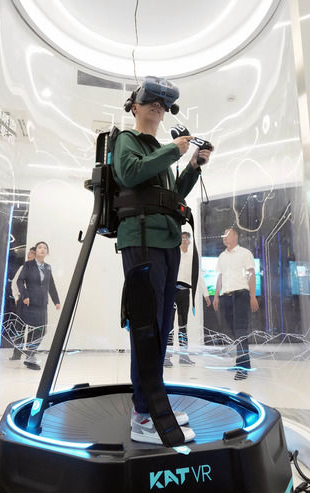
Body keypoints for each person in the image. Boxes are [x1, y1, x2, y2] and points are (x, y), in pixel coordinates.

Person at [114, 76, 212, 444]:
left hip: (167, 242)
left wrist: (194, 165)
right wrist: (173, 150)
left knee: (160, 327)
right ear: (135, 106)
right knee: (147, 327)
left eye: (162, 102)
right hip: (142, 241)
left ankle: (154, 401)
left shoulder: (160, 151)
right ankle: (143, 415)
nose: (157, 105)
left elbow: (172, 196)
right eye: (150, 100)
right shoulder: (128, 140)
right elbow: (129, 172)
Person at [213, 226, 259, 381]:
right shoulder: (222, 256)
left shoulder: (245, 253)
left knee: (240, 330)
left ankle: (242, 368)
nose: (224, 236)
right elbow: (219, 277)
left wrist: (253, 296)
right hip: (226, 297)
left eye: (228, 234)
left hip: (241, 295)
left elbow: (251, 274)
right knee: (234, 330)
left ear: (236, 236)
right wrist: (216, 296)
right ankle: (242, 362)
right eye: (223, 234)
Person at [9, 241, 61, 368]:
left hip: (42, 304)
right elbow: (19, 281)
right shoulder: (28, 265)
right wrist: (24, 295)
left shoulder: (48, 267)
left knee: (41, 330)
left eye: (45, 248)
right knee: (24, 329)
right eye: (40, 247)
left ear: (47, 252)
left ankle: (30, 354)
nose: (42, 249)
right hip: (29, 303)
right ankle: (29, 357)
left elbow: (51, 285)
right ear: (36, 251)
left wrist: (56, 301)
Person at [165, 231, 210, 367]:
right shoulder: (173, 255)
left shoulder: (192, 257)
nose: (184, 240)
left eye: (186, 238)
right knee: (169, 325)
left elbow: (198, 276)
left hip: (185, 293)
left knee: (183, 325)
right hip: (172, 292)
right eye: (182, 238)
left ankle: (184, 356)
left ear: (189, 241)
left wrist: (206, 294)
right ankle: (166, 357)